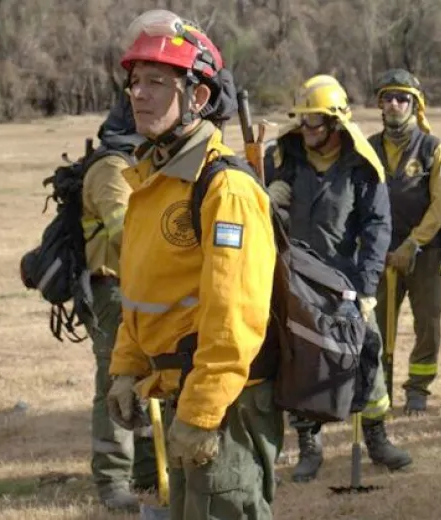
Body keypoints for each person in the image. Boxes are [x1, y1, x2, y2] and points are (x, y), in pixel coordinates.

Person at [105, 10, 282, 519]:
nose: (138, 93)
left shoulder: (226, 188)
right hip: (184, 396)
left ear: (198, 98)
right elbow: (140, 290)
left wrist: (204, 413)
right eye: (135, 81)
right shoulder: (152, 183)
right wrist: (127, 367)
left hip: (226, 405)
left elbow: (235, 316)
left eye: (157, 82)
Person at [263, 74, 413, 483]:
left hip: (345, 281)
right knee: (299, 361)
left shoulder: (361, 168)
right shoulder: (284, 159)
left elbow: (378, 228)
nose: (306, 130)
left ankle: (377, 438)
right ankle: (309, 446)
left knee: (367, 355)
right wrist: (269, 197)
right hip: (295, 282)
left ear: (335, 124)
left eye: (315, 122)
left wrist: (366, 291)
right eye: (303, 122)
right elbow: (260, 216)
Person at [78, 92, 158, 511]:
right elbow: (126, 235)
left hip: (139, 284)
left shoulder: (136, 163)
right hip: (112, 288)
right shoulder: (111, 168)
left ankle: (146, 468)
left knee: (148, 376)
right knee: (115, 379)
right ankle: (112, 480)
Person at [367, 68, 441, 414]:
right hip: (378, 255)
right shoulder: (367, 148)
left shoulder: (434, 149)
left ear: (415, 105)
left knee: (428, 322)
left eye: (402, 98)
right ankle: (378, 387)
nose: (394, 104)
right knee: (375, 326)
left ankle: (418, 388)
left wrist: (413, 244)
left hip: (423, 253)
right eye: (387, 97)